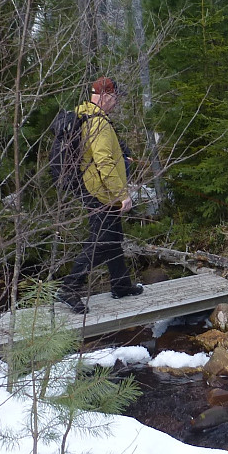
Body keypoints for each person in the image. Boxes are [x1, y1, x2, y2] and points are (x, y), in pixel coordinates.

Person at [58, 77, 144, 314]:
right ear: (105, 95)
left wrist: (122, 158)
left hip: (94, 187)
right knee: (101, 241)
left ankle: (121, 284)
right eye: (115, 97)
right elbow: (103, 160)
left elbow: (101, 155)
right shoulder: (99, 123)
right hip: (100, 191)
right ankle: (69, 287)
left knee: (112, 237)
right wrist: (121, 194)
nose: (116, 103)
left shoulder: (87, 116)